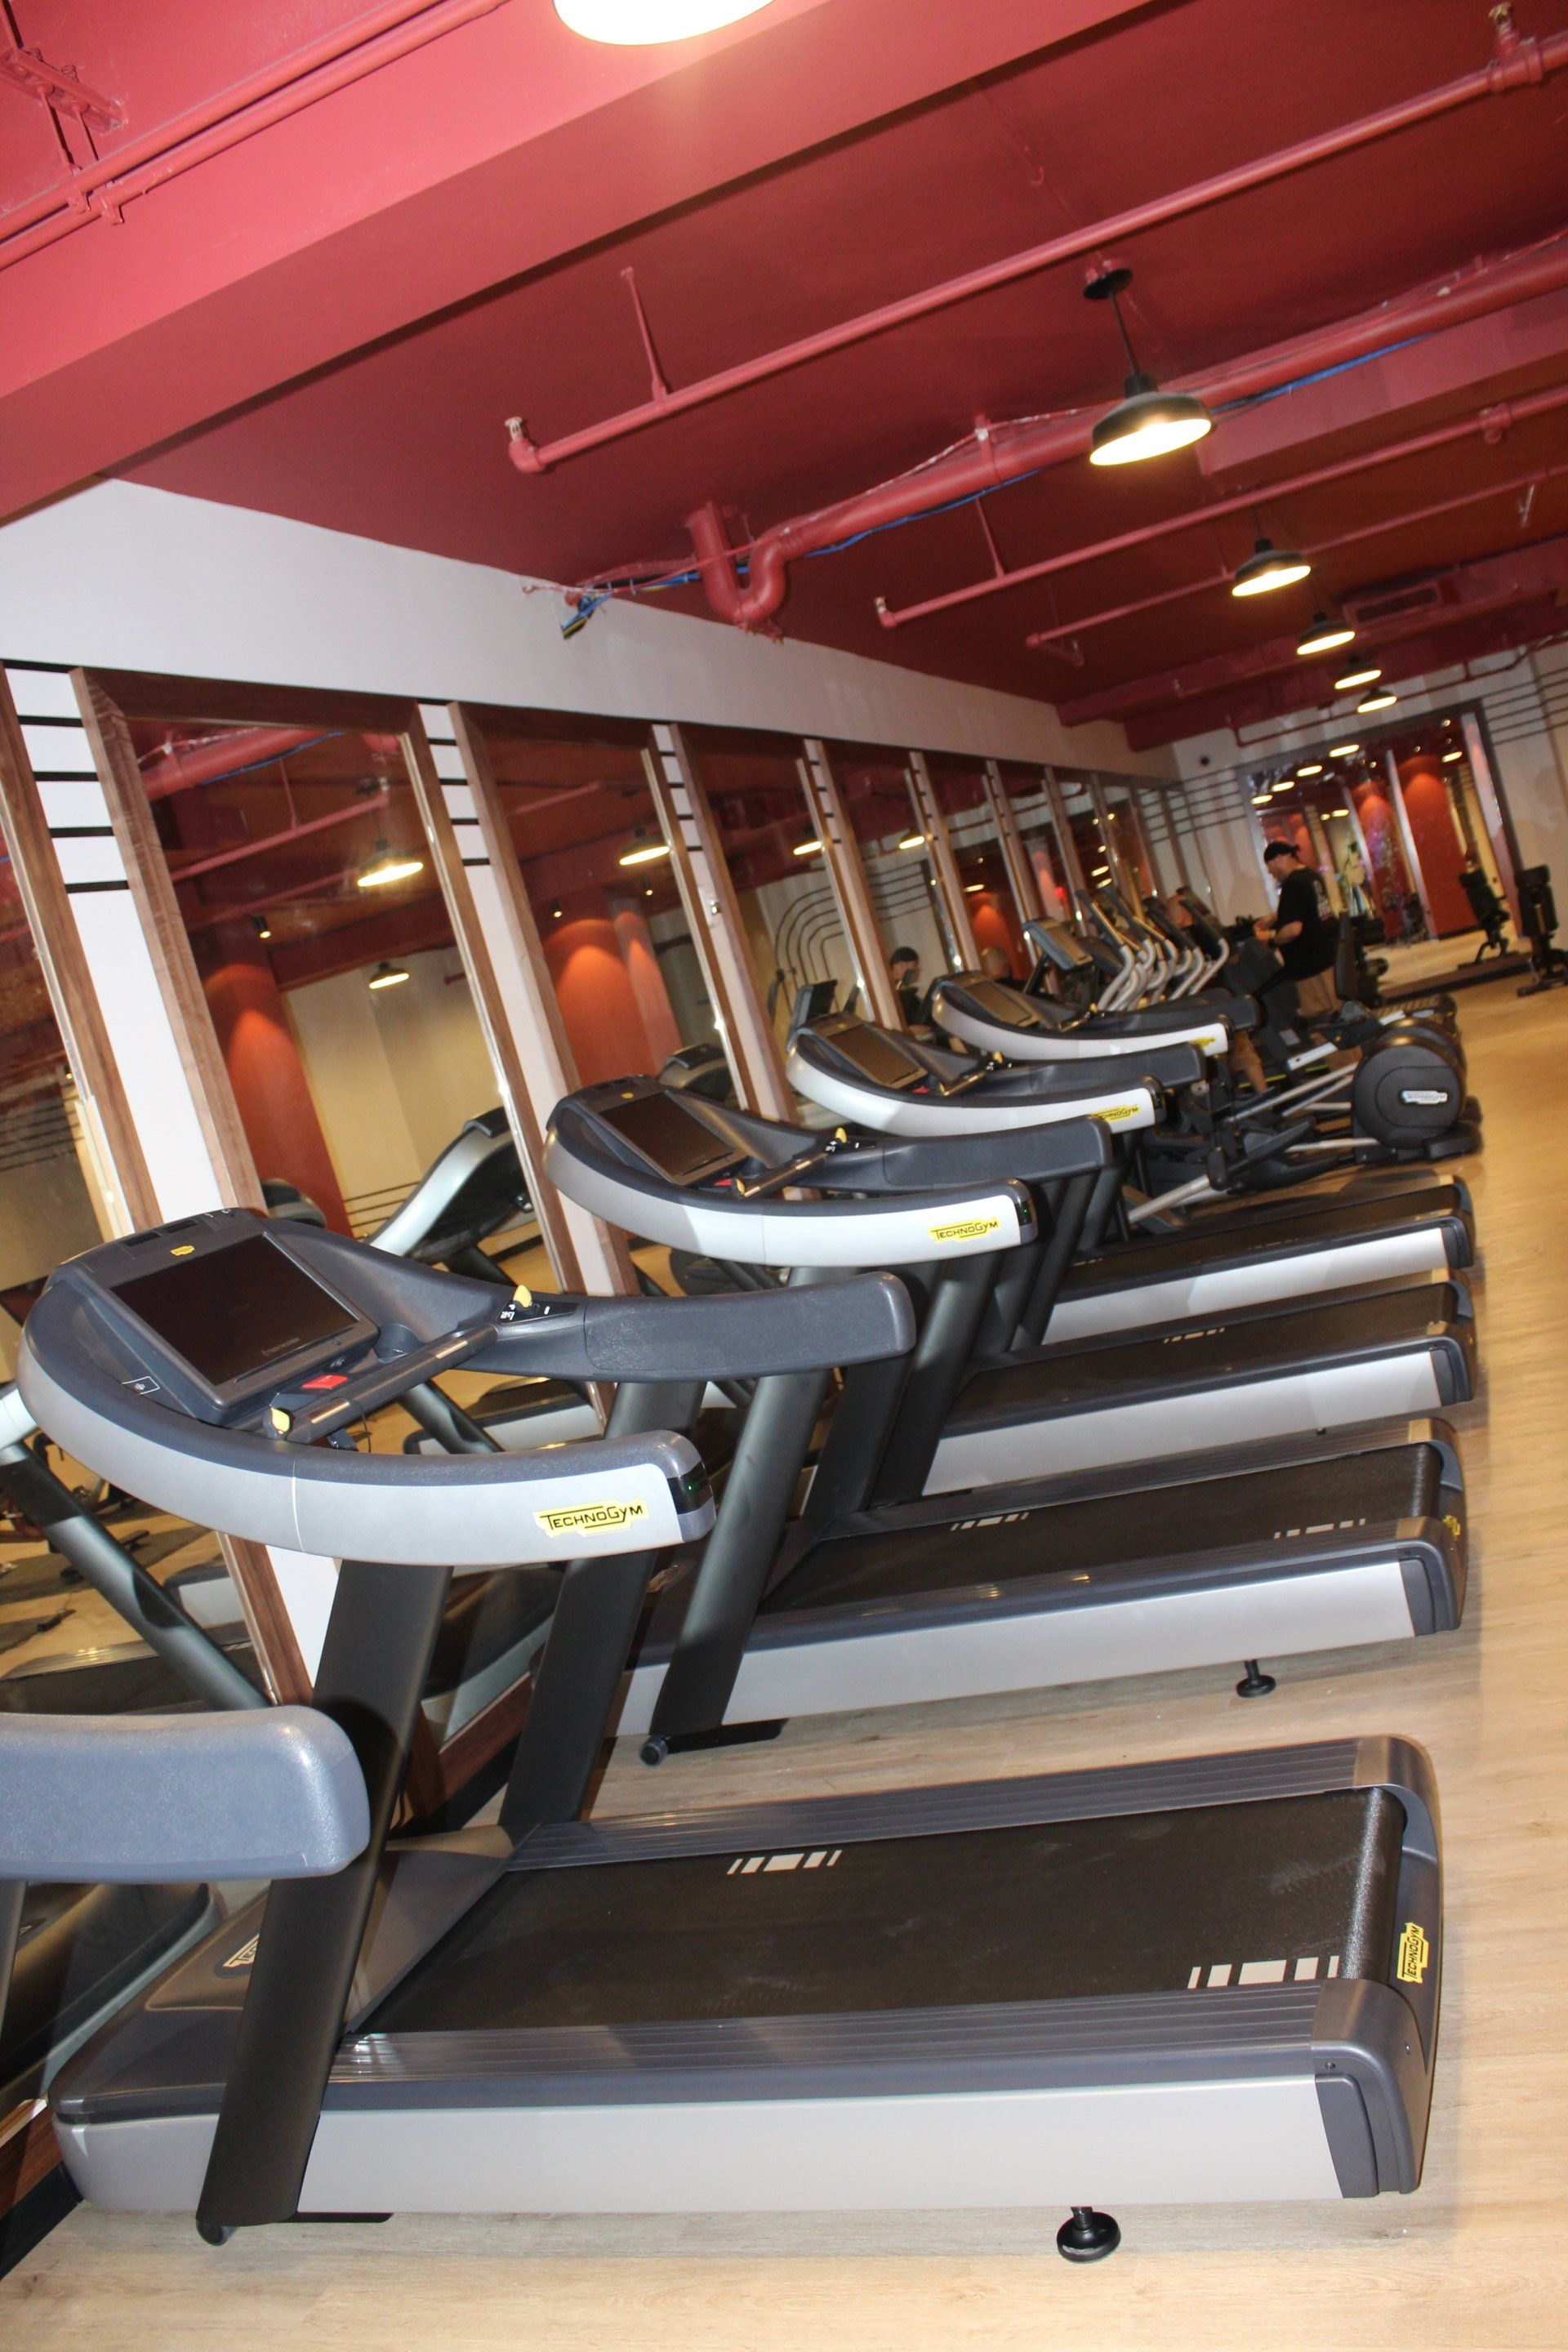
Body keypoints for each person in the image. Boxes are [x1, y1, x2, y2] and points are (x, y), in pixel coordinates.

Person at [1255, 839, 1339, 1019]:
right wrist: (1274, 918)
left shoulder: (1293, 884)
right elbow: (1307, 908)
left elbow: (1293, 929)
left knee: (1322, 1017)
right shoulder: (1311, 876)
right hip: (1325, 955)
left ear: (1279, 859)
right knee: (1339, 1009)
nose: (1270, 872)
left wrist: (1272, 942)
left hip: (1311, 966)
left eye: (1269, 866)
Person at [889, 943, 923, 1025]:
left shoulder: (904, 989)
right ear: (901, 965)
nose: (917, 970)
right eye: (915, 966)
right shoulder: (892, 990)